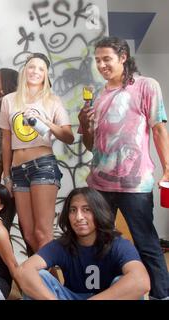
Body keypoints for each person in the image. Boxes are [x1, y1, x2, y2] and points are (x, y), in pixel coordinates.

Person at [78, 36, 169, 300]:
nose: (102, 65)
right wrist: (84, 124)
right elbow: (90, 145)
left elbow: (159, 129)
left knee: (147, 242)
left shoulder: (146, 86)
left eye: (107, 59)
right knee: (99, 244)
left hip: (135, 183)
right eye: (97, 61)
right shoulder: (97, 95)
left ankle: (161, 295)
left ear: (123, 57)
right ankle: (104, 294)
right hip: (100, 184)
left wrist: (167, 168)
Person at [0, 53, 74, 255]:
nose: (35, 72)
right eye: (32, 67)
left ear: (46, 75)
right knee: (29, 235)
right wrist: (6, 175)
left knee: (43, 233)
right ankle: (46, 283)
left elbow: (68, 136)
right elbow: (6, 141)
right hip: (17, 170)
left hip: (43, 166)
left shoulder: (52, 100)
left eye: (41, 69)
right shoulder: (9, 100)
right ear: (25, 70)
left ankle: (52, 285)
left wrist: (46, 121)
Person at [17, 187, 150, 300]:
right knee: (39, 276)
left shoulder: (118, 244)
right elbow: (24, 271)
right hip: (70, 297)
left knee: (126, 282)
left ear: (99, 212)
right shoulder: (61, 245)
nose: (79, 217)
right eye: (73, 210)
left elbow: (141, 281)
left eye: (86, 209)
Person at [0, 68, 19, 184]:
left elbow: (4, 141)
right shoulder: (5, 103)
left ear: (5, 83)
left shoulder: (4, 103)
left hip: (6, 172)